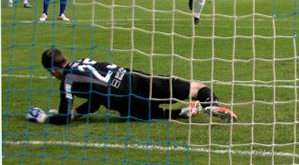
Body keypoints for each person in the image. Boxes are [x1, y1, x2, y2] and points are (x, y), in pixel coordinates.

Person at [25, 48, 238, 125]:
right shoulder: (83, 61)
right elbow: (94, 102)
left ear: (53, 71)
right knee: (196, 87)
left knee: (134, 114)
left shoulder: (67, 82)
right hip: (136, 77)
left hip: (127, 100)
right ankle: (209, 103)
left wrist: (45, 118)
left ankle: (182, 113)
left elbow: (63, 118)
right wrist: (75, 113)